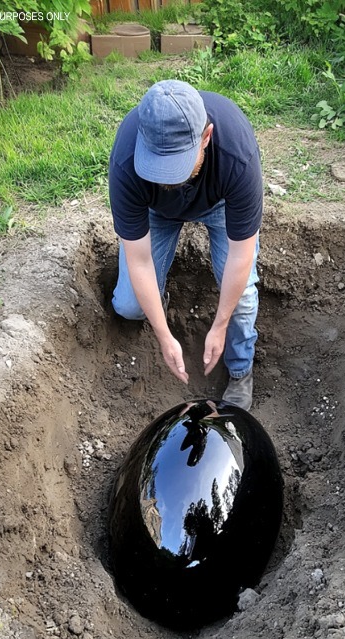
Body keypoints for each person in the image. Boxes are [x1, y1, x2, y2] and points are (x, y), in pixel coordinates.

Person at [108, 79, 263, 411]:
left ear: (205, 138)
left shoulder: (237, 153)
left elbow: (241, 254)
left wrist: (219, 325)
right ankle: (159, 299)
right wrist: (164, 336)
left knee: (243, 295)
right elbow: (139, 260)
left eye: (175, 166)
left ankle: (240, 370)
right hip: (157, 210)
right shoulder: (126, 161)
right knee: (130, 306)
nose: (166, 178)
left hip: (220, 203)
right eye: (157, 167)